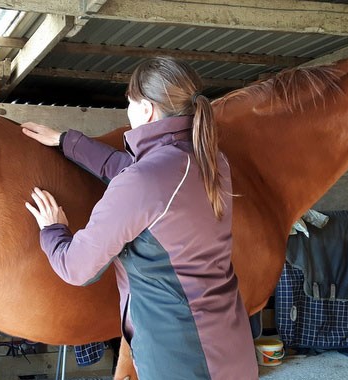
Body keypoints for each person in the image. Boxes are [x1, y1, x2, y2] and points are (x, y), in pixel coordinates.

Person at [20, 56, 258, 380]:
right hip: (232, 343)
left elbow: (76, 267)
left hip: (179, 358)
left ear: (146, 109)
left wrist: (53, 229)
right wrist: (67, 141)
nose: (128, 111)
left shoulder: (145, 181)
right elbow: (135, 176)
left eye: (129, 103)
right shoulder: (211, 160)